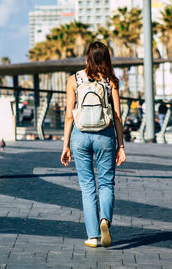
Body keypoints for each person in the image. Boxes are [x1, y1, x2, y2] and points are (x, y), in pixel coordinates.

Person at [61, 41, 126, 248]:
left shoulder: (74, 79)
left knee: (87, 187)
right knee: (106, 183)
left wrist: (65, 146)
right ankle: (104, 220)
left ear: (87, 58)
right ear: (106, 58)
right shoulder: (111, 81)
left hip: (80, 136)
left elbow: (69, 116)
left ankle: (92, 236)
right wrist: (121, 146)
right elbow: (117, 116)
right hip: (104, 135)